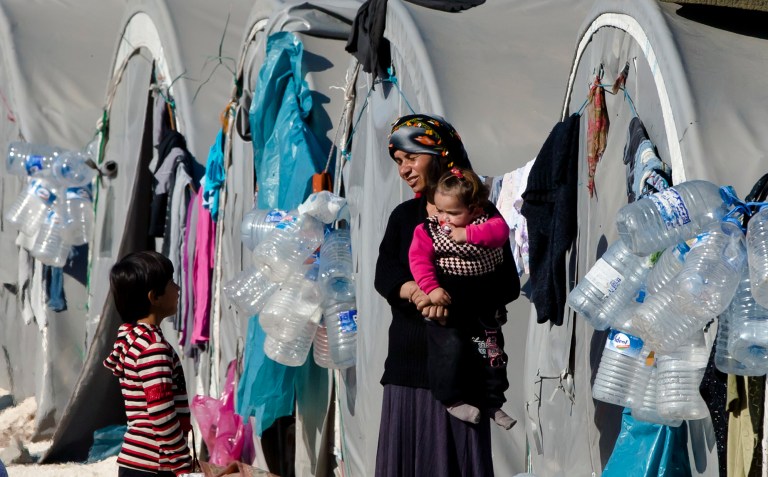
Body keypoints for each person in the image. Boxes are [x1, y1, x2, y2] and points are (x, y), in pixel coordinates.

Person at [375, 114, 520, 476]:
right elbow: (386, 273)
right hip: (408, 366)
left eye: (411, 157)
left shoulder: (479, 217)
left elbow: (506, 285)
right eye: (398, 162)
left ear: (440, 153)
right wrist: (418, 293)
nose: (404, 169)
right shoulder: (405, 216)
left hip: (463, 372)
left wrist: (448, 300)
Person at [409, 166, 516, 429]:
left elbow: (500, 233)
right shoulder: (429, 230)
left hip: (483, 310)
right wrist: (431, 289)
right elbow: (419, 261)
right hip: (451, 311)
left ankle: (493, 402)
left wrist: (466, 234)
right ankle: (453, 400)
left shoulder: (487, 223)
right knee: (450, 352)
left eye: (453, 213)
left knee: (491, 354)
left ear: (475, 210)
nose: (444, 218)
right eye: (440, 210)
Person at [104, 251, 192, 477]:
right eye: (171, 282)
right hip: (156, 463)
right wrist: (182, 463)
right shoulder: (153, 349)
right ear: (154, 297)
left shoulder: (132, 339)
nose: (178, 288)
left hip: (138, 461)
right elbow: (162, 414)